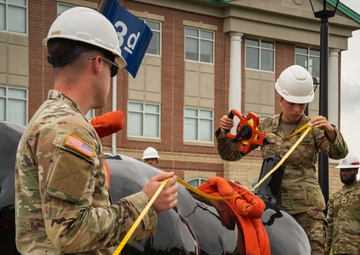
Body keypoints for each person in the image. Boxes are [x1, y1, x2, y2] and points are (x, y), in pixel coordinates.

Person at [15, 7, 179, 255]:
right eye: (114, 69)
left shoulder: (46, 116)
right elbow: (69, 232)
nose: (112, 78)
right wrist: (147, 203)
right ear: (99, 64)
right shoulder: (70, 128)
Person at [216, 65, 348, 255]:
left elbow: (339, 154)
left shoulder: (314, 128)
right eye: (291, 103)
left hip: (307, 210)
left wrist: (331, 131)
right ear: (280, 100)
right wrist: (223, 133)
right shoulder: (264, 126)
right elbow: (231, 155)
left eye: (301, 105)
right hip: (271, 209)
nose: (296, 109)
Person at [326, 153, 360, 255]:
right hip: (338, 250)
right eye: (342, 170)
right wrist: (326, 250)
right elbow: (329, 226)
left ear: (356, 171)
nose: (344, 173)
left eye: (348, 170)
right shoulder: (336, 197)